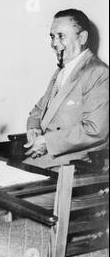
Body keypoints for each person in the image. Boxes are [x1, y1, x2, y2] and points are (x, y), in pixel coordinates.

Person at [24, 9, 108, 170]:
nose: (54, 43)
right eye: (52, 36)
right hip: (46, 159)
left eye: (61, 36)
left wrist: (48, 142)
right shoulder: (62, 72)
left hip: (75, 165)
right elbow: (38, 109)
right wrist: (33, 129)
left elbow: (96, 130)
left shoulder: (98, 72)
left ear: (82, 37)